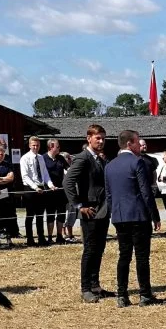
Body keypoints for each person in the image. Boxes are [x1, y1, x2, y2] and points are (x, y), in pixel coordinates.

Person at [104, 129, 160, 307]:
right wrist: (155, 215)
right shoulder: (137, 162)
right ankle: (144, 294)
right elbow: (146, 192)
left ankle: (122, 295)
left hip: (120, 216)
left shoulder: (109, 165)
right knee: (142, 257)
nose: (139, 146)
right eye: (137, 142)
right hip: (138, 215)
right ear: (129, 143)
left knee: (124, 256)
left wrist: (114, 213)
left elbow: (109, 195)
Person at [65, 124, 110, 302]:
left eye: (103, 138)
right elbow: (68, 182)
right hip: (89, 210)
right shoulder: (83, 158)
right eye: (98, 138)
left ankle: (95, 284)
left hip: (103, 210)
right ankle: (85, 289)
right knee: (90, 249)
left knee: (99, 248)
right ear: (88, 138)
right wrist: (77, 205)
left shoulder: (100, 159)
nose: (101, 141)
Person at [20, 136, 55, 246]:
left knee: (40, 215)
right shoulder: (24, 158)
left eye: (37, 145)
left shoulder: (41, 158)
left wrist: (50, 184)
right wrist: (35, 187)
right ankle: (30, 239)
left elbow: (45, 173)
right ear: (30, 145)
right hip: (30, 189)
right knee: (30, 215)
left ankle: (41, 237)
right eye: (33, 145)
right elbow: (25, 176)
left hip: (41, 187)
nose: (35, 147)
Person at [44, 139, 74, 244]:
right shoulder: (43, 158)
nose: (59, 148)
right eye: (57, 147)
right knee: (50, 214)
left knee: (61, 214)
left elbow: (68, 169)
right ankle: (49, 236)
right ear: (51, 147)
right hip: (49, 191)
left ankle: (59, 236)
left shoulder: (60, 158)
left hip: (61, 191)